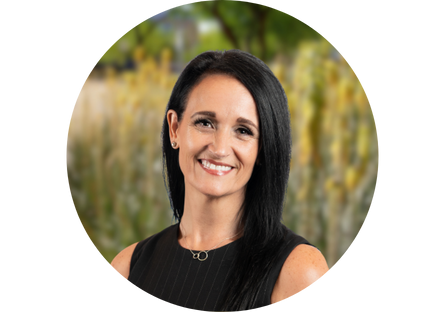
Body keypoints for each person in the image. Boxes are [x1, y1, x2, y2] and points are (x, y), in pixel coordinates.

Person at [110, 49, 329, 310]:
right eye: (205, 122)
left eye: (243, 131)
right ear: (175, 128)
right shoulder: (127, 266)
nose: (219, 148)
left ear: (263, 150)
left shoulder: (298, 271)